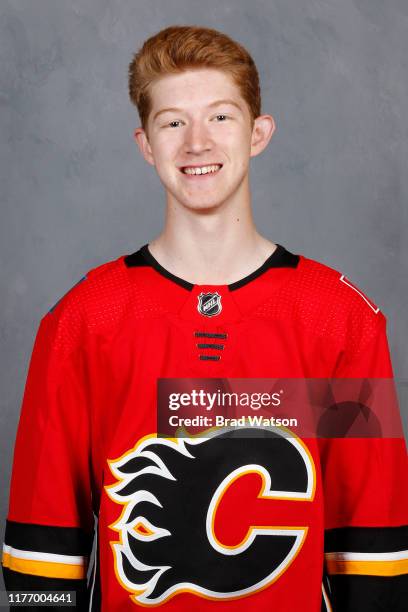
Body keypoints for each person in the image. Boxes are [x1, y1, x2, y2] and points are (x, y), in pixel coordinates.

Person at [2, 25, 407, 611]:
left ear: (258, 133)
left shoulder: (343, 320)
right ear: (146, 144)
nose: (197, 143)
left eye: (220, 117)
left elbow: (374, 550)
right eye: (173, 122)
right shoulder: (82, 321)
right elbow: (45, 550)